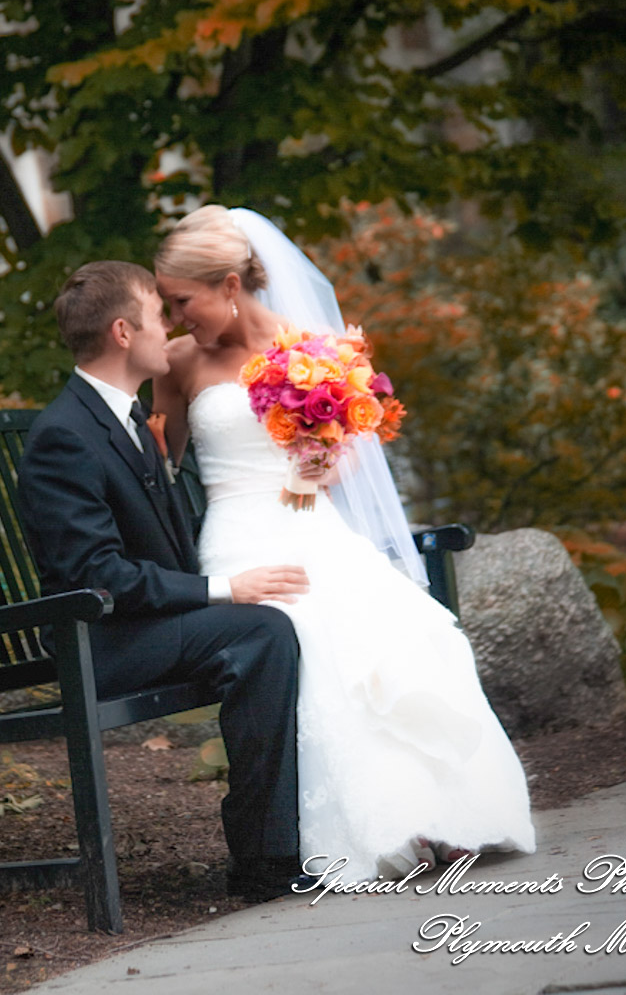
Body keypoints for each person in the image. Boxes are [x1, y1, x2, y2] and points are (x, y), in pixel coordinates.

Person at [152, 206, 535, 880]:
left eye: (184, 301)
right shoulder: (181, 362)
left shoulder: (312, 347)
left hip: (311, 522)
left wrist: (328, 461)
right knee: (309, 632)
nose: (178, 318)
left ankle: (440, 815)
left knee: (396, 622)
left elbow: (353, 455)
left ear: (229, 287)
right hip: (240, 540)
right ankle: (373, 828)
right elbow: (164, 464)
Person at [16, 260, 311, 899]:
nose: (170, 330)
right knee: (261, 632)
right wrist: (223, 589)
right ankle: (266, 860)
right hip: (100, 643)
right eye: (158, 316)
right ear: (123, 333)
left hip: (140, 626)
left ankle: (286, 842)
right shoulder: (64, 437)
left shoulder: (123, 421)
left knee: (283, 620)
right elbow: (95, 575)